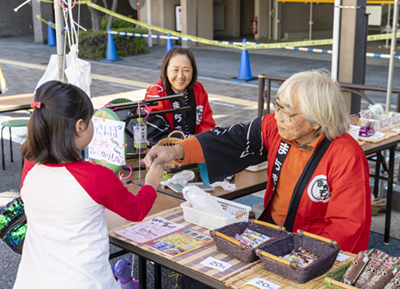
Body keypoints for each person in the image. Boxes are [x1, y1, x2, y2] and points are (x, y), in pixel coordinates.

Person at [145, 69, 371, 254]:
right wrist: (177, 150)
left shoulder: (345, 156)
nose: (278, 116)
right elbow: (231, 139)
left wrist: (301, 260)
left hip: (311, 248)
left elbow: (346, 227)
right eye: (277, 106)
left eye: (288, 113)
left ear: (316, 120)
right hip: (274, 231)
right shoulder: (276, 126)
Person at [14, 81, 163, 289]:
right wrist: (151, 182)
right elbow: (137, 211)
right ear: (80, 126)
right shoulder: (96, 177)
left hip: (33, 280)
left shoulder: (30, 166)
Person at [144, 47, 216, 143]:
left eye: (186, 70)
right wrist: (189, 140)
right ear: (166, 71)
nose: (180, 76)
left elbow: (207, 123)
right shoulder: (156, 91)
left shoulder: (198, 89)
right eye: (175, 70)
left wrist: (206, 137)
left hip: (196, 148)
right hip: (166, 153)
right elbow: (154, 133)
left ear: (192, 71)